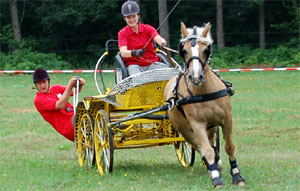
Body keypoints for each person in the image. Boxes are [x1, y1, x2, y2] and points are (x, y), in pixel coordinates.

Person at [33, 68, 86, 142]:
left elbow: (75, 91)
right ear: (35, 85)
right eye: (39, 83)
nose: (42, 86)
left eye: (44, 82)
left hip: (77, 117)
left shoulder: (56, 88)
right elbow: (59, 105)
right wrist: (70, 85)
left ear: (48, 81)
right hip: (70, 128)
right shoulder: (39, 100)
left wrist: (80, 83)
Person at [118, 0, 169, 76]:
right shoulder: (122, 33)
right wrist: (134, 52)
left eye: (133, 16)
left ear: (138, 16)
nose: (132, 20)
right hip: (134, 65)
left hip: (152, 64)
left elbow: (158, 38)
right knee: (137, 78)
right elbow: (123, 53)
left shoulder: (148, 28)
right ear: (124, 18)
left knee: (168, 73)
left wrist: (163, 43)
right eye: (128, 17)